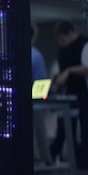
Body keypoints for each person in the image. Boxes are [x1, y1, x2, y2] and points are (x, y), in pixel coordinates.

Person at [49, 21, 88, 170]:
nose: (61, 43)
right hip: (69, 95)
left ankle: (84, 162)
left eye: (62, 39)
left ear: (69, 34)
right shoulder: (63, 52)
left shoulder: (85, 45)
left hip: (85, 94)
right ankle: (65, 159)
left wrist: (68, 72)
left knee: (86, 130)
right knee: (65, 130)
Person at [31, 22, 53, 165]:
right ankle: (46, 160)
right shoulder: (36, 55)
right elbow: (40, 82)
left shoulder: (14, 52)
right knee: (40, 132)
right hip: (35, 102)